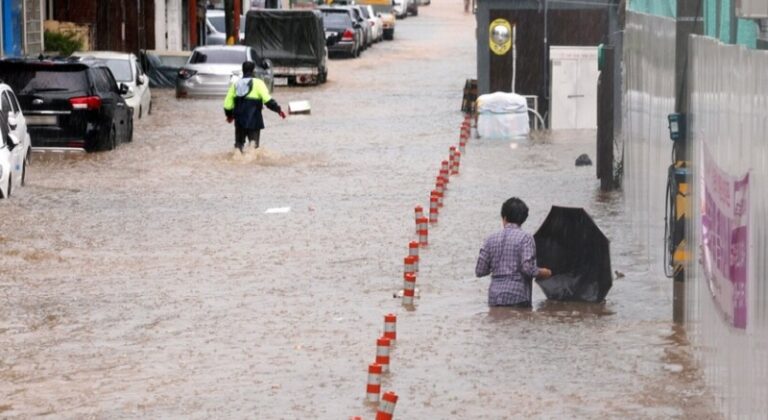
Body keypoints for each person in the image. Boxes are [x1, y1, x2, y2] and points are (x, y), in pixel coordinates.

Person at [475, 197, 552, 307]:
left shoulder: (490, 239)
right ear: (523, 219)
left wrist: (496, 266)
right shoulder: (526, 238)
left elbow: (480, 271)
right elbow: (527, 269)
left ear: (504, 217)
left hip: (495, 298)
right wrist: (544, 272)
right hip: (518, 297)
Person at [223, 61, 286, 153]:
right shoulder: (258, 83)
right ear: (253, 71)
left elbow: (227, 105)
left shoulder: (235, 85)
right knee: (254, 148)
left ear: (243, 70)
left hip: (239, 121)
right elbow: (267, 101)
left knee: (238, 146)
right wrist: (279, 110)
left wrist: (229, 116)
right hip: (254, 121)